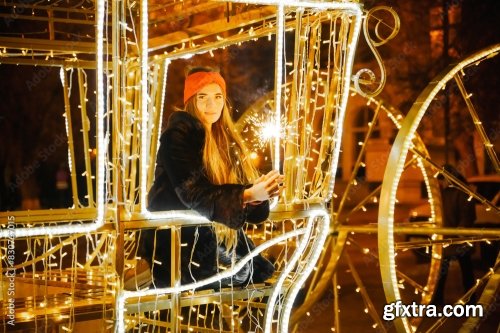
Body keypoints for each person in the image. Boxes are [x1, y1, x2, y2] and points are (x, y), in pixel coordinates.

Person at [133, 66, 283, 290]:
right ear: (191, 101)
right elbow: (191, 191)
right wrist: (247, 194)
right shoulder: (178, 135)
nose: (211, 105)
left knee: (254, 273)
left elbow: (241, 198)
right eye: (202, 97)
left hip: (211, 238)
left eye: (217, 97)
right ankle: (146, 279)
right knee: (221, 282)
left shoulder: (225, 141)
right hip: (178, 242)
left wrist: (259, 194)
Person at [432, 164, 476, 305]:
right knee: (461, 271)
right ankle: (469, 300)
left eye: (442, 180)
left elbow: (467, 216)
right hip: (452, 239)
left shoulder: (459, 193)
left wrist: (459, 231)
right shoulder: (454, 192)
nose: (440, 183)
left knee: (456, 271)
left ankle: (441, 300)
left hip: (455, 239)